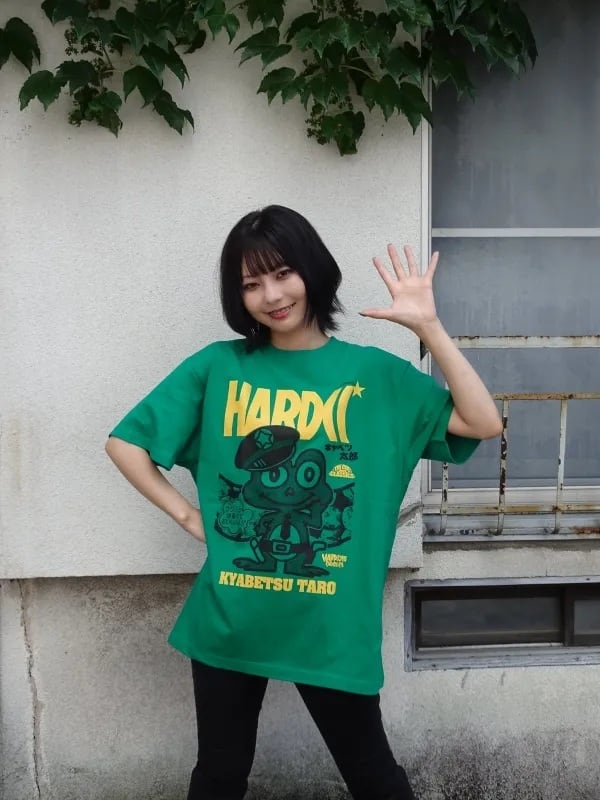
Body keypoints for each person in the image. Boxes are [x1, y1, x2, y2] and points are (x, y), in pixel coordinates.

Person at [106, 205, 502, 800]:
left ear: (311, 271)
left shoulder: (376, 376)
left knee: (375, 779)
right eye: (250, 283)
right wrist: (189, 517)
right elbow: (126, 443)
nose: (271, 295)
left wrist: (430, 330)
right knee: (218, 777)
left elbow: (483, 422)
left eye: (282, 273)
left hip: (332, 625)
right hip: (231, 620)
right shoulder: (218, 368)